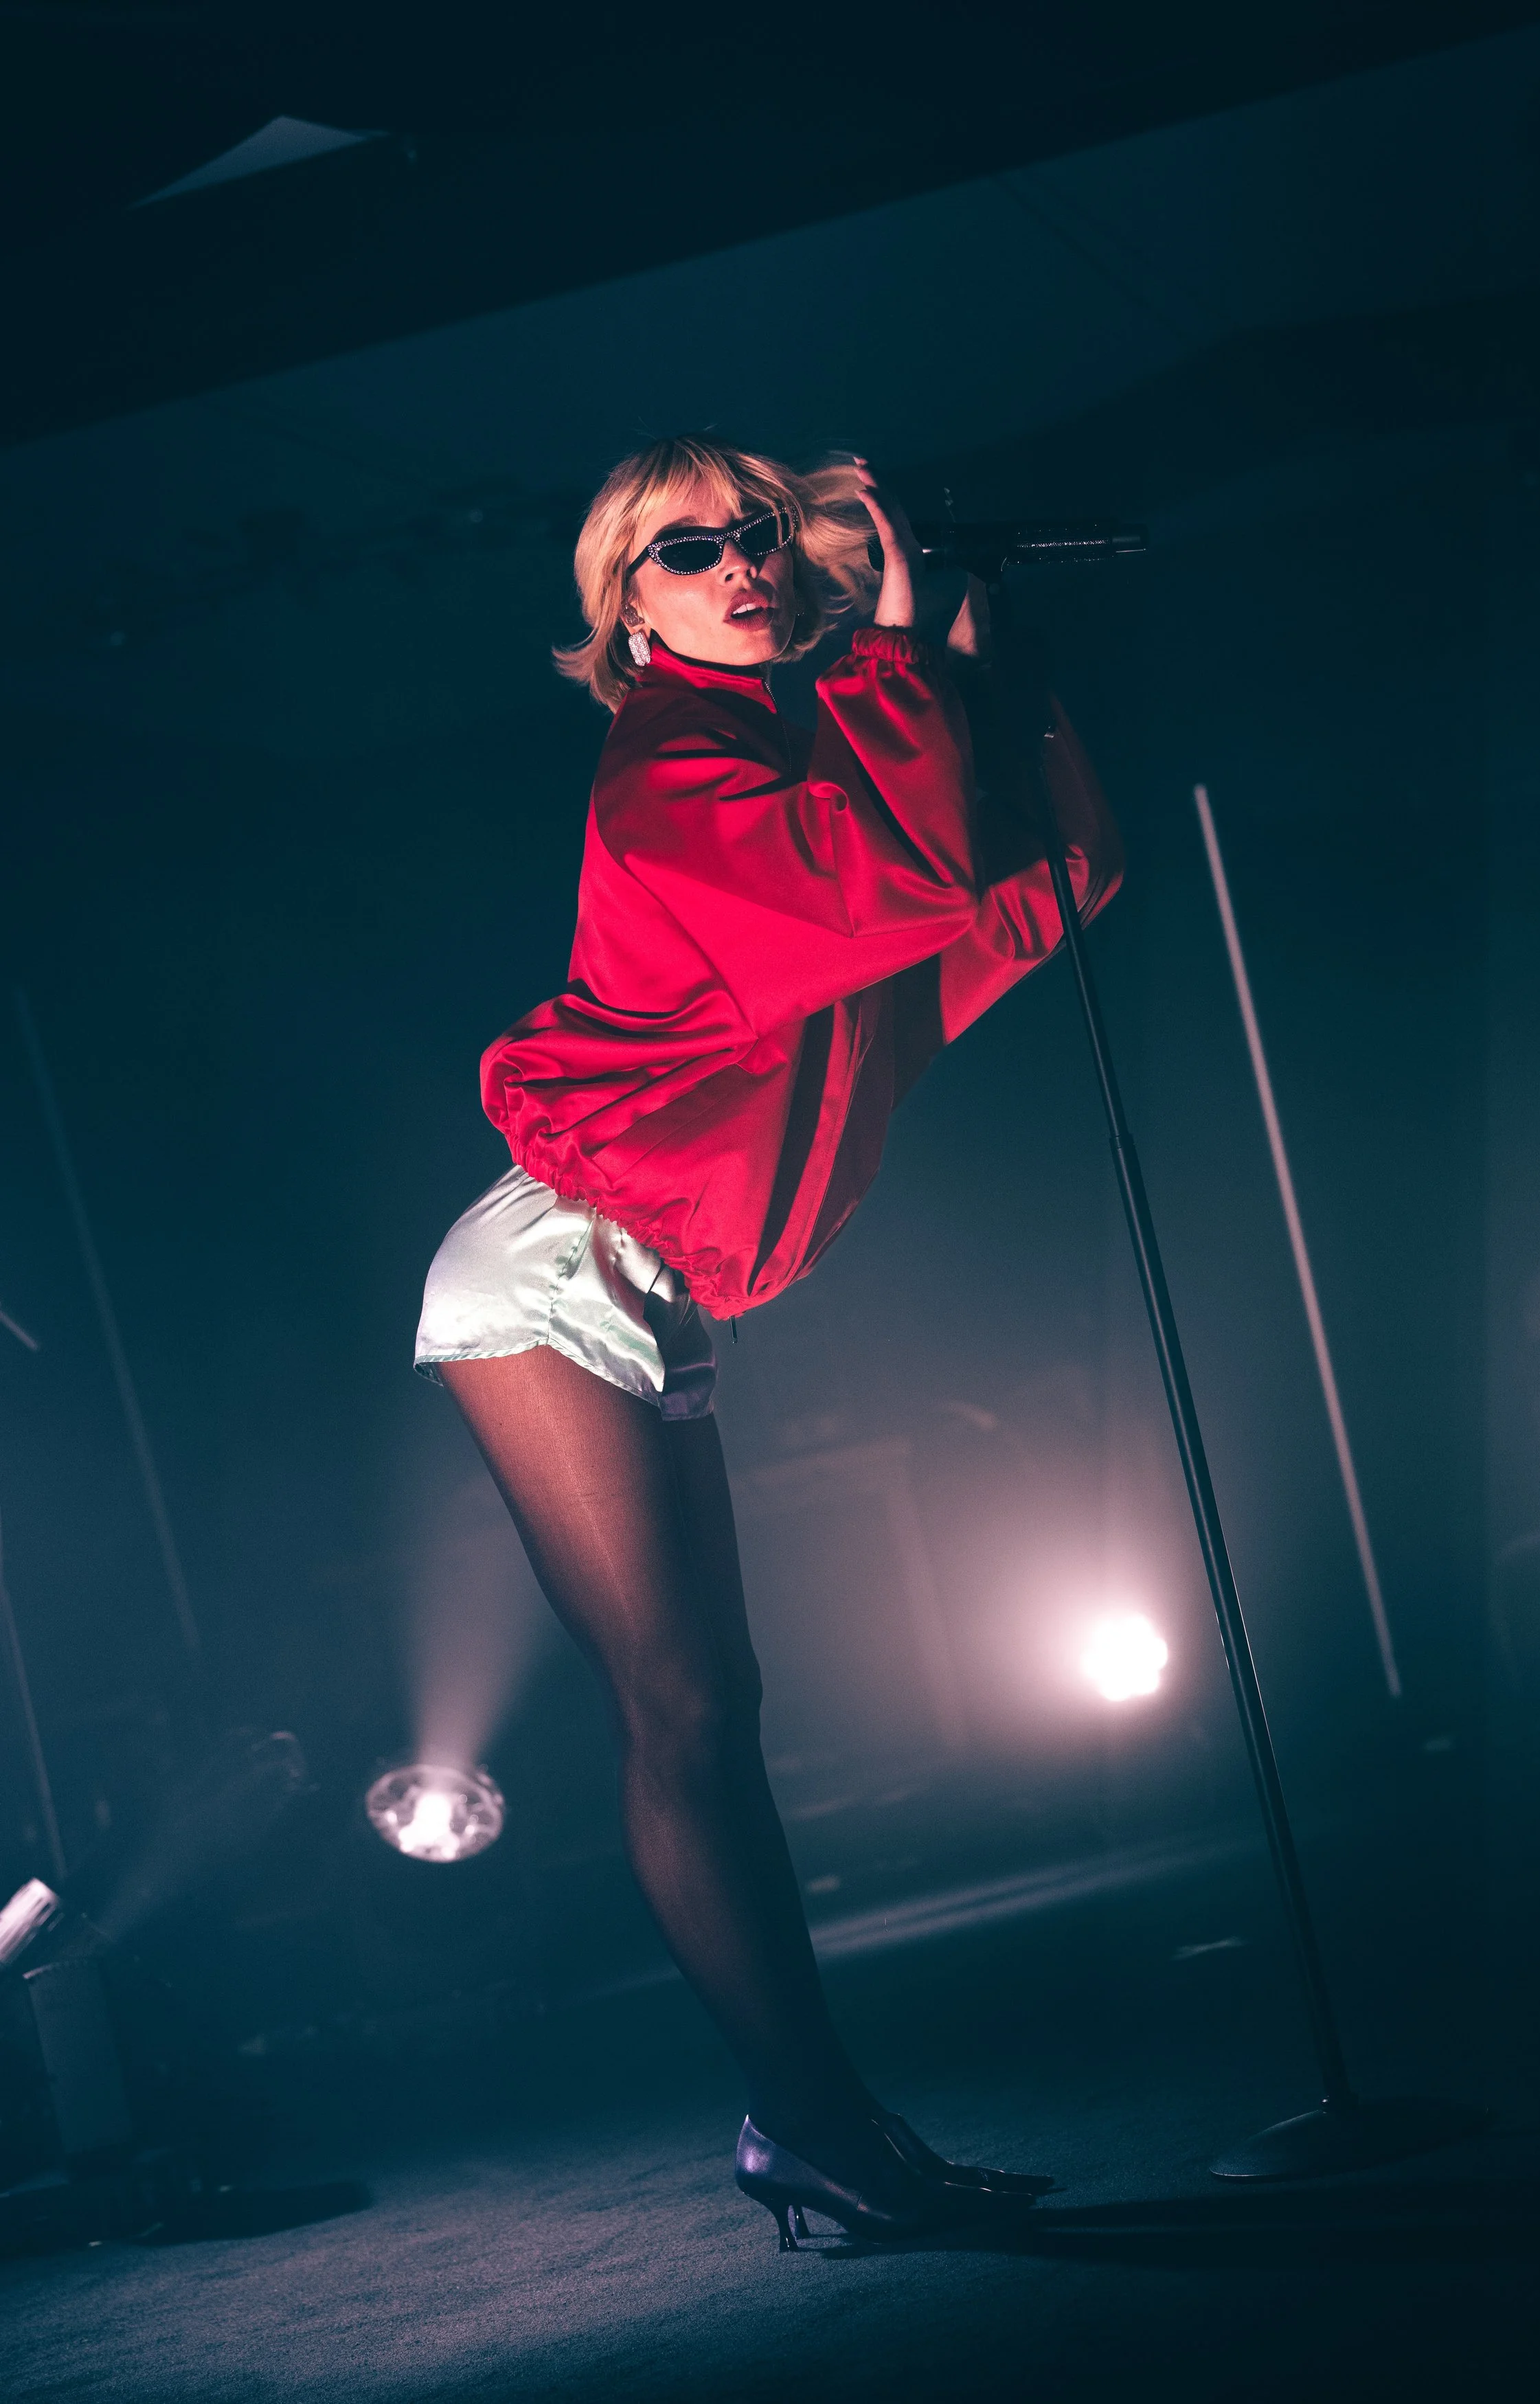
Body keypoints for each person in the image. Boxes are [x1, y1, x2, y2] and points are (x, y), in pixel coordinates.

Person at [414, 437, 1121, 2247]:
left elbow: (1006, 893)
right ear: (621, 608)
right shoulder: (669, 761)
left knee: (719, 1712)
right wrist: (899, 666)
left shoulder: (806, 750)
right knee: (692, 1709)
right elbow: (862, 896)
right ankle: (809, 2121)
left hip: (651, 1276)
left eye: (749, 536)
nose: (732, 563)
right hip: (555, 1265)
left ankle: (814, 2119)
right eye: (682, 548)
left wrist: (980, 668)